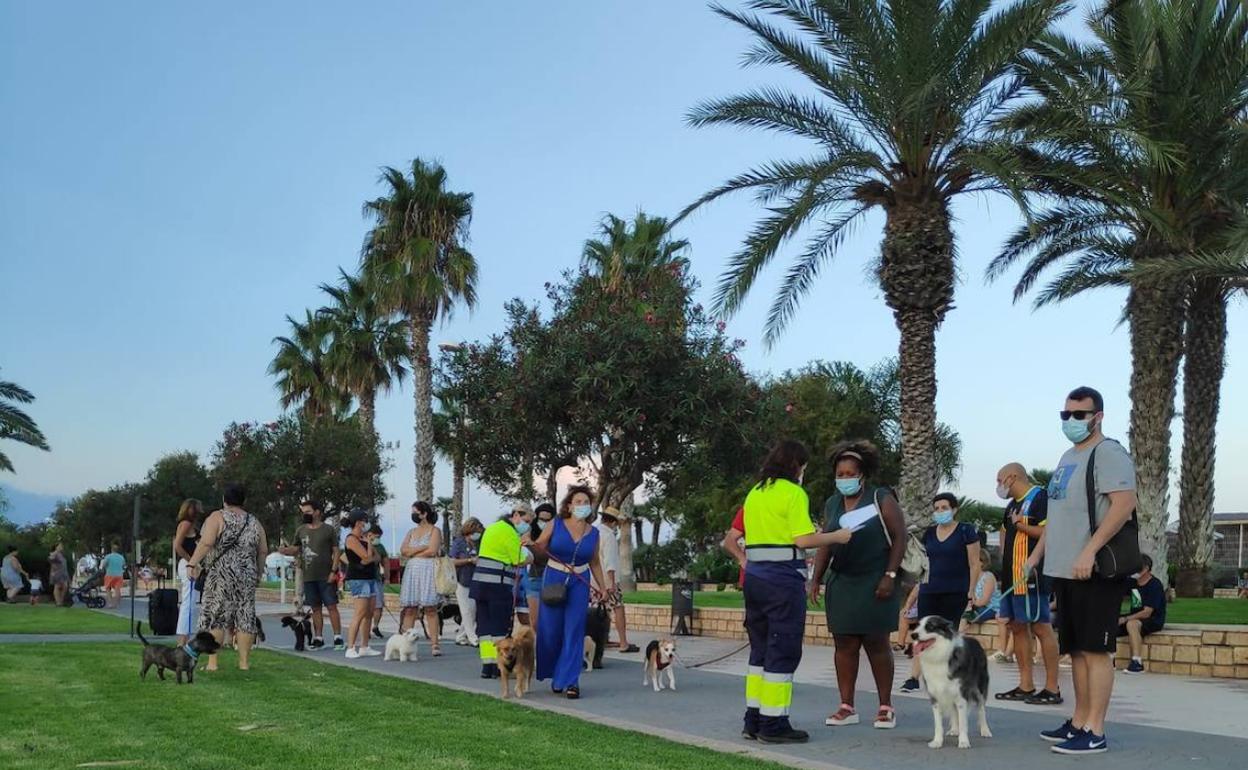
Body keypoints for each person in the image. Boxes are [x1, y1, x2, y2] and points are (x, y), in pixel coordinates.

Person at [1027, 386, 1137, 756]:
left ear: (1097, 416)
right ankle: (1078, 721)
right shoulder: (1067, 456)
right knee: (1075, 649)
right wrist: (1036, 556)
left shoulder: (1108, 453)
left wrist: (1089, 550)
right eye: (1066, 415)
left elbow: (1124, 505)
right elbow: (1057, 517)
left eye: (1079, 415)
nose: (1071, 421)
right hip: (1064, 569)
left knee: (1095, 650)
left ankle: (1096, 729)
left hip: (1095, 569)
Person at [740, 440, 852, 743]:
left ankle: (753, 719)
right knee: (783, 648)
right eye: (803, 466)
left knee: (760, 650)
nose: (803, 472)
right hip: (782, 580)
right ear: (795, 465)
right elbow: (802, 540)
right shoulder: (793, 493)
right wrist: (836, 536)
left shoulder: (755, 492)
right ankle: (773, 724)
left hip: (755, 578)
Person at [810, 440, 906, 731]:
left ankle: (886, 707)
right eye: (840, 473)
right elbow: (826, 542)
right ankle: (846, 706)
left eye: (850, 473)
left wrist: (889, 576)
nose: (844, 478)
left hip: (876, 580)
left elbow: (899, 537)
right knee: (845, 644)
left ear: (862, 474)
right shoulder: (832, 503)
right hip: (843, 582)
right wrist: (815, 577)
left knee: (876, 643)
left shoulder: (881, 498)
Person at [533, 486, 609, 700]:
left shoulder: (593, 533)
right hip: (554, 578)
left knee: (574, 630)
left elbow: (594, 561)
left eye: (586, 502)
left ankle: (571, 681)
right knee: (550, 630)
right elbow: (539, 547)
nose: (583, 506)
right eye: (578, 502)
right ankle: (556, 674)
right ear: (569, 505)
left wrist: (603, 587)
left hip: (580, 581)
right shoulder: (555, 524)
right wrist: (530, 544)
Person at [995, 462, 1062, 705]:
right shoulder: (1011, 505)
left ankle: (1052, 687)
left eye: (1000, 480)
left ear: (1012, 477)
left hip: (1033, 575)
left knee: (1041, 627)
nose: (999, 486)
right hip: (1012, 577)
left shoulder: (1040, 497)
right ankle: (1026, 684)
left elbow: (1049, 532)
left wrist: (1021, 525)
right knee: (1017, 626)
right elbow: (1005, 531)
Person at [900, 493, 981, 693]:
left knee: (947, 634)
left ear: (954, 510)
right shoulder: (929, 533)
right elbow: (924, 563)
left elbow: (974, 563)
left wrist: (971, 590)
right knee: (923, 632)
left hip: (955, 590)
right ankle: (913, 677)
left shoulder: (966, 531)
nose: (940, 512)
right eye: (936, 508)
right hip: (930, 589)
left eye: (944, 508)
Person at [186, 482, 268, 671]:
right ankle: (244, 663)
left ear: (224, 500)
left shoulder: (217, 517)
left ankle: (213, 663)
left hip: (221, 574)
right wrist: (257, 573)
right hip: (246, 575)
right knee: (245, 617)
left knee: (217, 616)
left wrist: (193, 562)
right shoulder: (254, 521)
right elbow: (262, 550)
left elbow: (207, 542)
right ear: (243, 501)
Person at [472, 507, 531, 680]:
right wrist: (530, 556)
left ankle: (487, 666)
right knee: (500, 627)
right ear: (516, 516)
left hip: (480, 584)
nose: (526, 526)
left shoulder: (493, 527)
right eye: (526, 521)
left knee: (484, 626)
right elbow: (519, 559)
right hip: (498, 585)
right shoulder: (510, 532)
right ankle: (500, 666)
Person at [280, 499, 344, 651]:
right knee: (315, 608)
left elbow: (336, 551)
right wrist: (285, 550)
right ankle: (318, 637)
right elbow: (296, 549)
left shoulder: (328, 530)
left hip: (326, 574)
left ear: (317, 512)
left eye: (308, 512)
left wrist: (333, 571)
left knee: (331, 606)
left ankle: (337, 637)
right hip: (309, 576)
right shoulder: (301, 530)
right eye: (303, 512)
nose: (305, 515)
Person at [399, 501, 443, 655]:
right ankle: (404, 643)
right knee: (410, 609)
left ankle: (435, 644)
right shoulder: (411, 531)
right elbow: (403, 550)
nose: (413, 515)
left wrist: (413, 552)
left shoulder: (435, 531)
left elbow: (432, 551)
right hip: (412, 571)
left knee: (430, 608)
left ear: (424, 513)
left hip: (428, 570)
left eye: (415, 512)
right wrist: (421, 548)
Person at [594, 507, 638, 653]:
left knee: (600, 611)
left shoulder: (594, 533)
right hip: (607, 580)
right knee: (618, 608)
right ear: (613, 523)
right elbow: (610, 561)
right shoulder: (609, 536)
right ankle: (623, 642)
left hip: (594, 580)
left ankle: (602, 639)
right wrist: (612, 583)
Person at [342, 510, 380, 658]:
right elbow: (365, 556)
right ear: (358, 522)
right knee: (360, 612)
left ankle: (365, 645)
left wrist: (369, 551)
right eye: (364, 521)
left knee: (369, 612)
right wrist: (369, 548)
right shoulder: (351, 539)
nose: (366, 524)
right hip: (358, 578)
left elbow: (375, 558)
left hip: (370, 577)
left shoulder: (364, 538)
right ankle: (350, 647)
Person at [1119, 554, 1166, 674]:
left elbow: (1147, 612)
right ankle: (1109, 658)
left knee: (1132, 624)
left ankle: (1137, 662)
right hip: (1134, 616)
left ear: (1145, 569)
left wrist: (1126, 618)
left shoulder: (1155, 585)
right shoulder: (1132, 583)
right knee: (1107, 622)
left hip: (1152, 619)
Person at [173, 499, 204, 644]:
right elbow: (177, 545)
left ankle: (185, 637)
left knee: (190, 602)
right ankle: (183, 639)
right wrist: (192, 561)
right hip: (188, 564)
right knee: (188, 602)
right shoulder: (185, 524)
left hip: (190, 564)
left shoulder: (191, 525)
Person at [448, 517, 483, 646]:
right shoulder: (459, 543)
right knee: (466, 610)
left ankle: (461, 636)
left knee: (473, 609)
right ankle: (473, 637)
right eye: (476, 531)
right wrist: (469, 561)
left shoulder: (477, 544)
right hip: (462, 580)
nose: (477, 534)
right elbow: (452, 561)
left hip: (475, 579)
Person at [527, 503, 555, 626]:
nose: (544, 523)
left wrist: (533, 545)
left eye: (548, 520)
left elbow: (549, 555)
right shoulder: (529, 532)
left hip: (552, 579)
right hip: (535, 578)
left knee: (550, 619)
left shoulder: (556, 536)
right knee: (535, 621)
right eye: (542, 519)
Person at [369, 524, 388, 640]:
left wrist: (387, 577)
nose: (377, 539)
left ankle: (375, 626)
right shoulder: (359, 543)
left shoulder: (380, 547)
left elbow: (386, 563)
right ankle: (365, 629)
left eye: (379, 537)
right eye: (376, 536)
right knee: (365, 607)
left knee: (379, 605)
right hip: (363, 579)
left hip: (376, 579)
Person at [722, 505, 747, 589]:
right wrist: (742, 560)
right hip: (753, 575)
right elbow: (729, 541)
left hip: (782, 574)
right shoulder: (749, 508)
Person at [101, 542, 126, 609]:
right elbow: (124, 566)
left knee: (108, 588)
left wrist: (105, 568)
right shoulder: (121, 557)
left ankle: (110, 603)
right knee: (117, 589)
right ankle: (117, 604)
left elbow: (104, 565)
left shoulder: (108, 556)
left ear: (111, 549)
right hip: (119, 575)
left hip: (109, 574)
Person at [48, 542, 69, 607]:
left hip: (63, 573)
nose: (61, 547)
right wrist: (55, 552)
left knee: (65, 586)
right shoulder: (55, 553)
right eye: (60, 546)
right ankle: (58, 602)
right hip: (57, 573)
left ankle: (61, 601)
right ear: (56, 547)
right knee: (57, 586)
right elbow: (50, 559)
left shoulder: (61, 554)